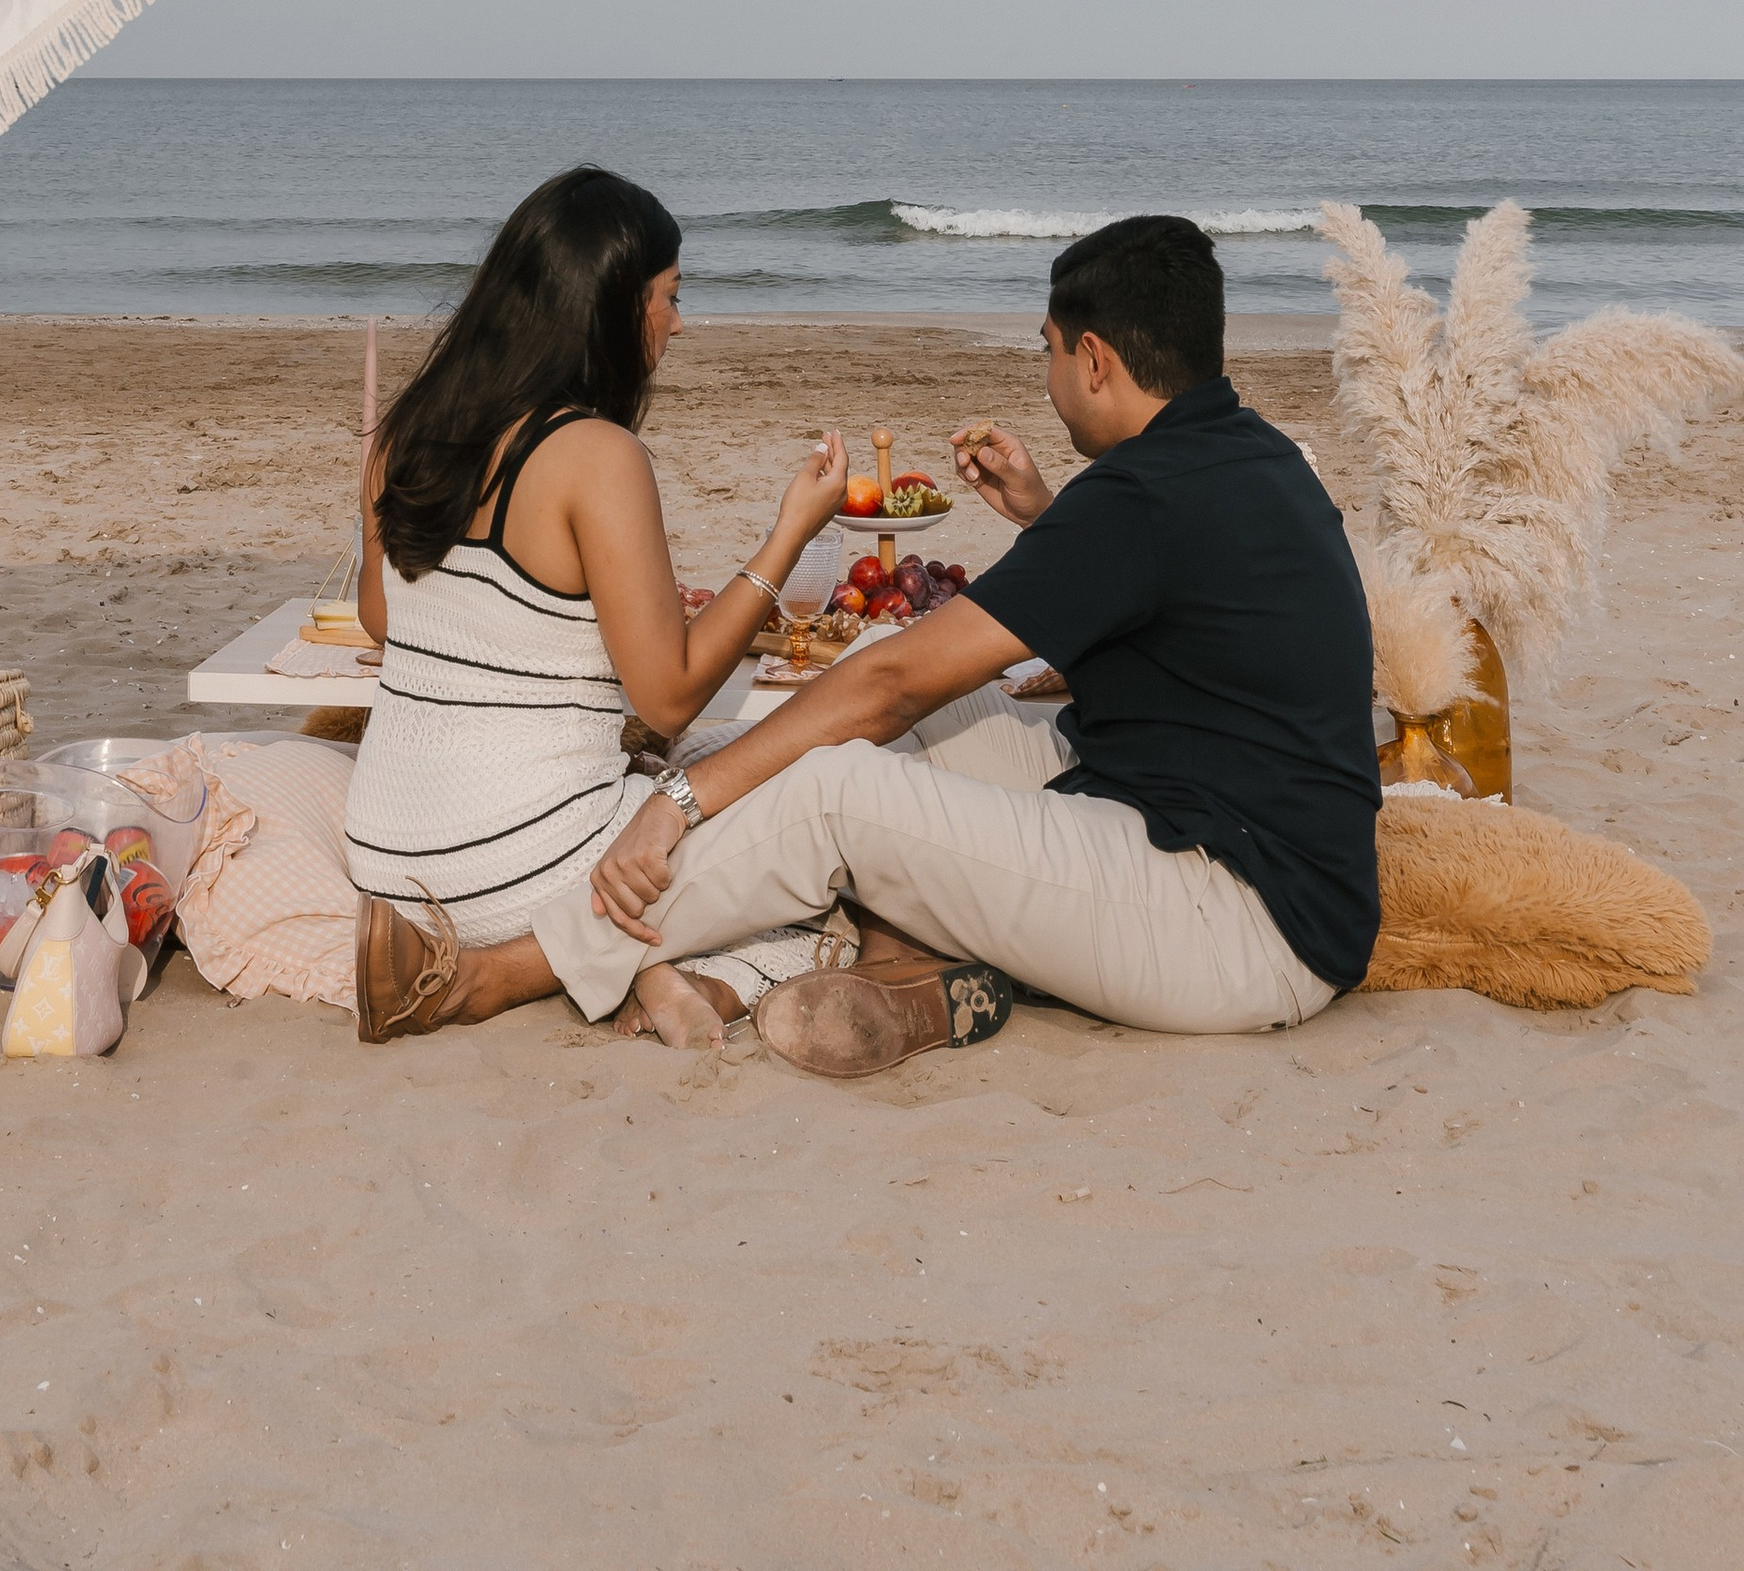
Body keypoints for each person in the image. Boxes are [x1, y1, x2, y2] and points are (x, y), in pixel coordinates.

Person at [357, 213, 1383, 1076]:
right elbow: (1176, 599)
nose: (1047, 375)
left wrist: (675, 804)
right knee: (930, 706)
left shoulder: (1142, 499)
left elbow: (887, 682)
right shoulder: (1245, 459)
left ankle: (497, 975)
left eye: (1046, 350)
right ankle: (887, 943)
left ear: (1095, 360)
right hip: (1205, 831)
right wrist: (1043, 518)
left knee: (840, 775)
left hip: (1233, 922)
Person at [344, 163, 860, 1045]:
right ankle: (667, 973)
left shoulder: (408, 427)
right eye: (669, 295)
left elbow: (383, 619)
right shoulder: (594, 452)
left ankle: (648, 974)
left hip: (383, 860)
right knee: (811, 817)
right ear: (614, 308)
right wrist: (789, 537)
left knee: (702, 772)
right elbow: (666, 695)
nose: (678, 320)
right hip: (514, 864)